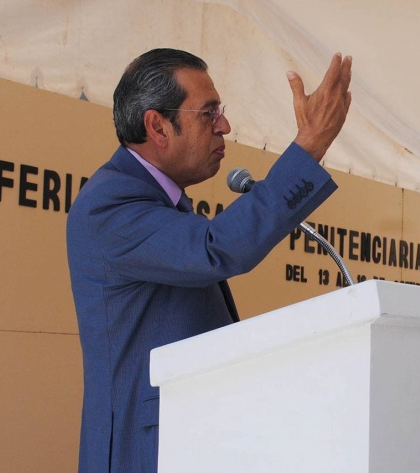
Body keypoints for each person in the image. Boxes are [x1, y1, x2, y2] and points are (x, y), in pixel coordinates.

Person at [66, 48, 352, 472]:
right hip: (144, 453)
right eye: (209, 113)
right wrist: (308, 146)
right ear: (157, 126)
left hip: (189, 439)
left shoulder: (160, 203)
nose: (225, 126)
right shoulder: (110, 203)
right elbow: (217, 248)